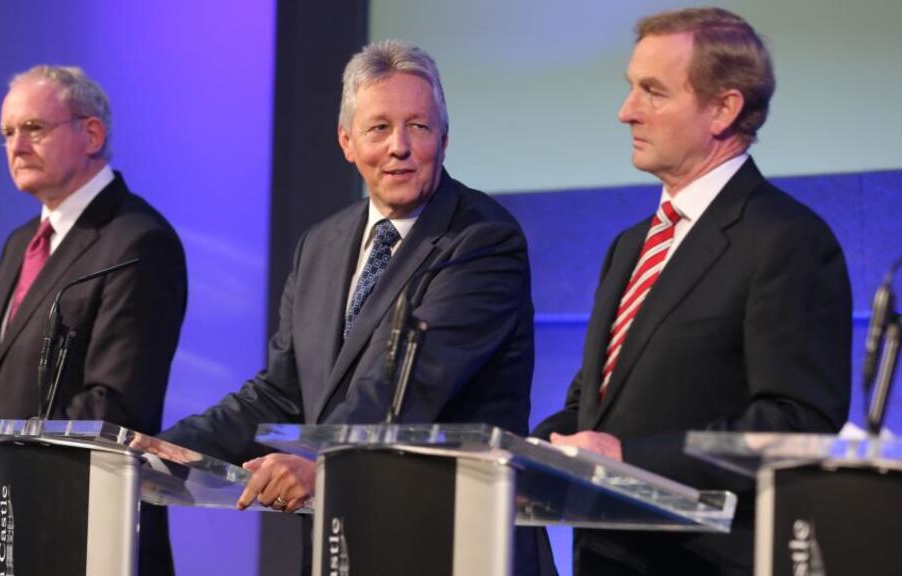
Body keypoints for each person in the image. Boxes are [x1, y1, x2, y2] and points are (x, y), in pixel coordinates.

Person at [153, 40, 554, 575]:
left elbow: (410, 384)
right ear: (347, 140)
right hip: (345, 543)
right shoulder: (320, 244)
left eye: (418, 126)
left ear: (445, 138)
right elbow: (280, 391)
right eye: (379, 128)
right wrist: (164, 451)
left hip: (451, 545)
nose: (400, 147)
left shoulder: (483, 239)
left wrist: (319, 459)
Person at [533, 7, 852, 575]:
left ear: (723, 108)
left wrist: (630, 461)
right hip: (607, 557)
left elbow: (795, 425)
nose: (626, 111)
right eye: (630, 88)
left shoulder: (787, 241)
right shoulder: (631, 244)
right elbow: (596, 404)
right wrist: (524, 455)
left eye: (652, 92)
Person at [0, 66, 186, 576]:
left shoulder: (138, 242)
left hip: (80, 532)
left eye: (33, 128)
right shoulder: (20, 244)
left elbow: (115, 405)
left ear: (91, 134)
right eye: (7, 133)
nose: (16, 145)